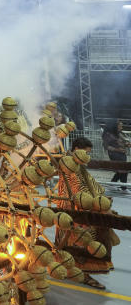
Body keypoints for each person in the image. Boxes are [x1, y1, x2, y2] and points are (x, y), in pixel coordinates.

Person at [56, 137, 116, 289]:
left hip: (82, 207)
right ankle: (82, 273)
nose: (88, 157)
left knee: (78, 239)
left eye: (89, 153)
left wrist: (100, 199)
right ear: (76, 149)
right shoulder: (69, 165)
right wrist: (97, 203)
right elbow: (77, 191)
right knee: (82, 240)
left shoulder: (77, 165)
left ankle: (73, 268)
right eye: (86, 152)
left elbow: (89, 187)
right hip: (74, 209)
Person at [103, 120, 129, 186]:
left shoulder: (118, 133)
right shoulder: (108, 134)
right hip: (114, 155)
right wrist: (117, 150)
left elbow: (122, 143)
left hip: (122, 154)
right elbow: (106, 146)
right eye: (120, 126)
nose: (121, 128)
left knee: (120, 171)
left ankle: (112, 184)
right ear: (115, 126)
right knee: (123, 170)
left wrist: (127, 144)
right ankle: (123, 188)